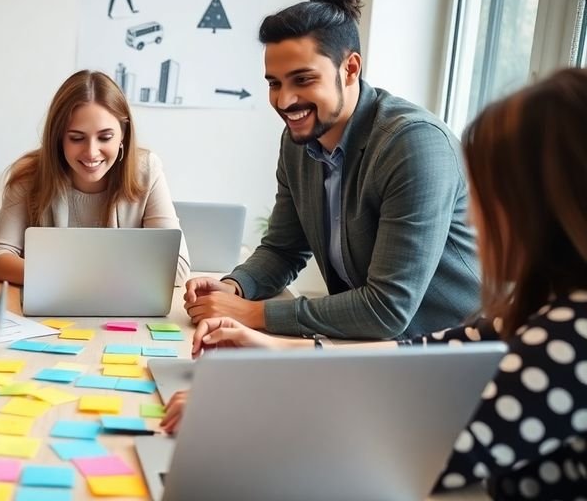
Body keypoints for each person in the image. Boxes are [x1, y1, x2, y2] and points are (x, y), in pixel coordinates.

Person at [165, 68, 587, 499]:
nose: (472, 213)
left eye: (484, 191)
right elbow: (424, 352)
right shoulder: (549, 307)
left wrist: (242, 411)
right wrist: (275, 351)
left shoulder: (572, 334)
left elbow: (424, 452)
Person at [183, 0, 481, 340]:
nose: (284, 100)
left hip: (457, 354)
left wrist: (253, 313)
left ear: (350, 68)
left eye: (303, 79)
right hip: (373, 349)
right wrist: (235, 287)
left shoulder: (414, 144)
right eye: (274, 83)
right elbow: (283, 248)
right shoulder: (299, 141)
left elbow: (386, 309)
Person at [0, 70, 190, 285]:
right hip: (50, 307)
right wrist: (72, 279)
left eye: (105, 137)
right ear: (59, 138)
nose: (91, 152)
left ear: (123, 135)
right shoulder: (31, 174)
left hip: (121, 309)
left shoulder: (147, 169)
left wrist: (83, 278)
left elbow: (178, 267)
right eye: (77, 138)